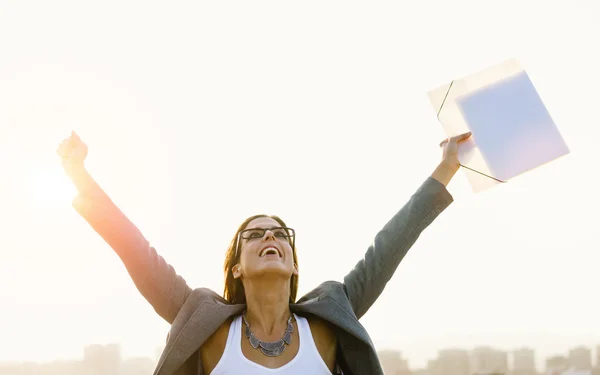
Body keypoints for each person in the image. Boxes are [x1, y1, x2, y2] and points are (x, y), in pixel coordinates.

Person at [57, 130, 471, 375]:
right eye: (253, 235)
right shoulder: (204, 324)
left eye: (279, 233)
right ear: (236, 268)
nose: (270, 237)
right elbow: (135, 251)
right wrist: (79, 175)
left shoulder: (330, 320)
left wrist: (447, 166)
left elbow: (390, 244)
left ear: (293, 263)